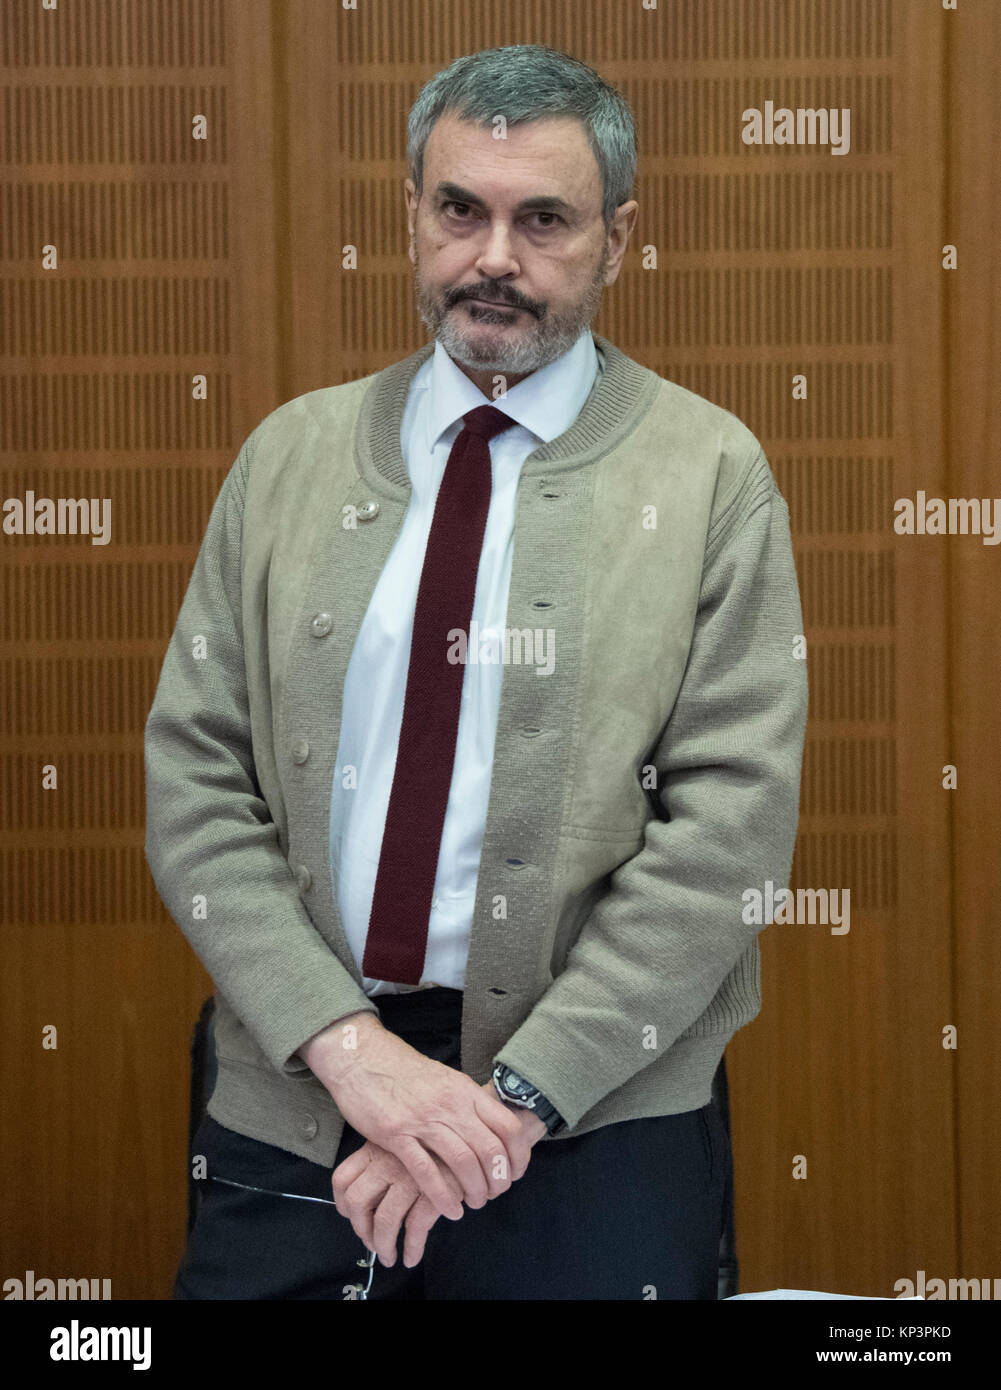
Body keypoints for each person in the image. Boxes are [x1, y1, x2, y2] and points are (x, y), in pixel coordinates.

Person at [145, 43, 808, 1300]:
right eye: (460, 209)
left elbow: (727, 835)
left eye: (540, 219)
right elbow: (192, 778)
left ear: (615, 238)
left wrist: (505, 1105)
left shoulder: (710, 477)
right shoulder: (286, 458)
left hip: (596, 1118)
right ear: (412, 216)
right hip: (299, 1087)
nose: (492, 255)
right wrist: (353, 1055)